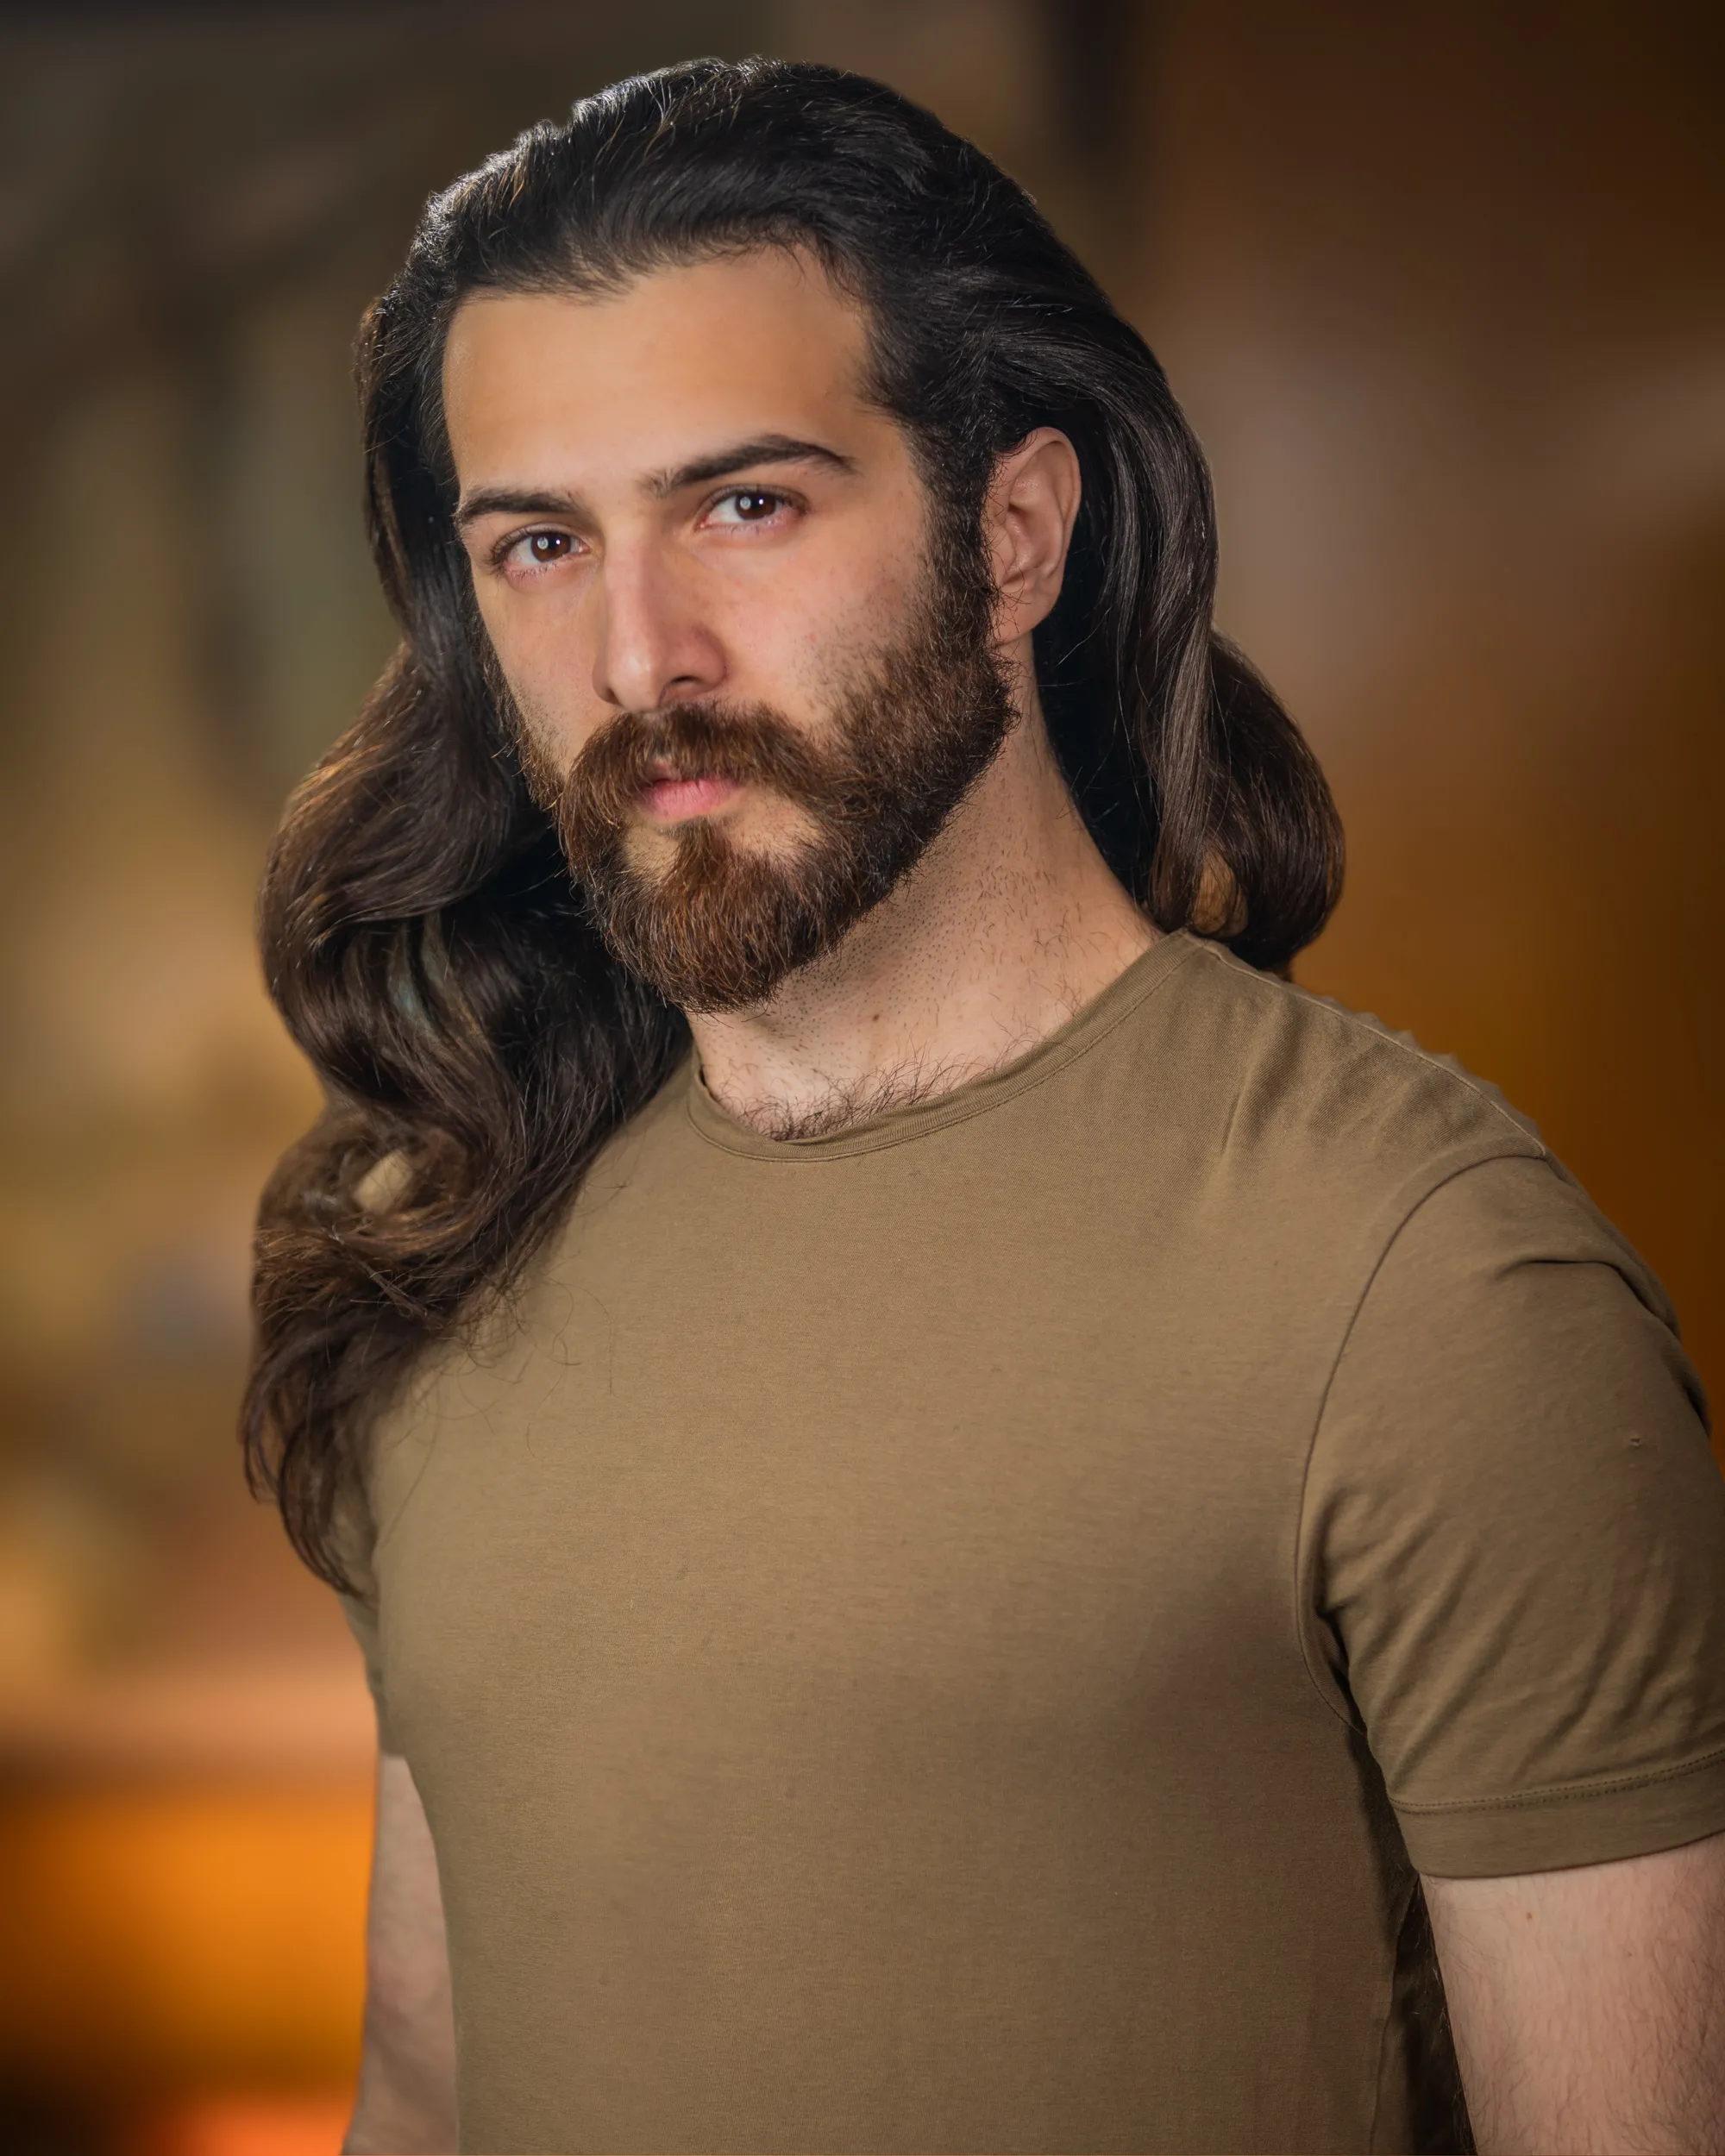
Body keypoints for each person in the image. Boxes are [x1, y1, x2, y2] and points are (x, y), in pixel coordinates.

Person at [243, 57, 1725, 2156]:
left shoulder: (1429, 1290)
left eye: (745, 506)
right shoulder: (452, 1230)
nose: (640, 654)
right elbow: (422, 2080)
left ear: (1015, 531)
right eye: (543, 544)